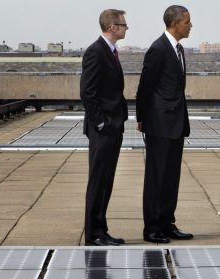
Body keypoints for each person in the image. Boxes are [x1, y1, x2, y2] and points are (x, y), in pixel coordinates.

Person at [135, 5, 194, 244]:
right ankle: (152, 228)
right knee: (156, 177)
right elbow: (145, 87)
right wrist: (142, 118)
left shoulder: (178, 49)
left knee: (171, 176)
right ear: (174, 23)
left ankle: (167, 223)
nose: (191, 26)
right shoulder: (158, 49)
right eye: (187, 22)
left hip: (176, 123)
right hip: (159, 123)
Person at [80, 9, 129, 246]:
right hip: (103, 129)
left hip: (113, 127)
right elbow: (87, 93)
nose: (126, 28)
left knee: (106, 181)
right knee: (98, 181)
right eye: (123, 24)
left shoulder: (110, 51)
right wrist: (101, 123)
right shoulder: (95, 52)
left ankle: (101, 230)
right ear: (112, 27)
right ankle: (93, 234)